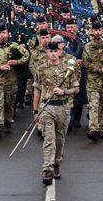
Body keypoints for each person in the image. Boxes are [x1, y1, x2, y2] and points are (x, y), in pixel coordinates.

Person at [33, 41, 79, 185]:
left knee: (59, 140)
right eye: (50, 51)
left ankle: (57, 163)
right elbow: (37, 90)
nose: (53, 54)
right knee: (49, 139)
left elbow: (76, 89)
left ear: (60, 52)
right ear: (47, 53)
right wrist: (36, 111)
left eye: (55, 51)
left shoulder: (68, 69)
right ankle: (47, 169)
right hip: (47, 108)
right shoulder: (41, 69)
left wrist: (64, 91)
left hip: (63, 108)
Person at [0, 23, 29, 138]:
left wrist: (17, 62)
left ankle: (8, 120)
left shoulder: (14, 46)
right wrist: (0, 67)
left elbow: (26, 55)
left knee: (9, 103)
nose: (2, 35)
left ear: (8, 34)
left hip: (11, 81)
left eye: (4, 33)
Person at [82, 21, 103, 141]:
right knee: (93, 106)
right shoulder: (88, 46)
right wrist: (99, 69)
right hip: (93, 81)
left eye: (99, 30)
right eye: (95, 30)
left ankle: (102, 128)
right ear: (91, 31)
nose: (97, 33)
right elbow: (86, 63)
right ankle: (93, 129)